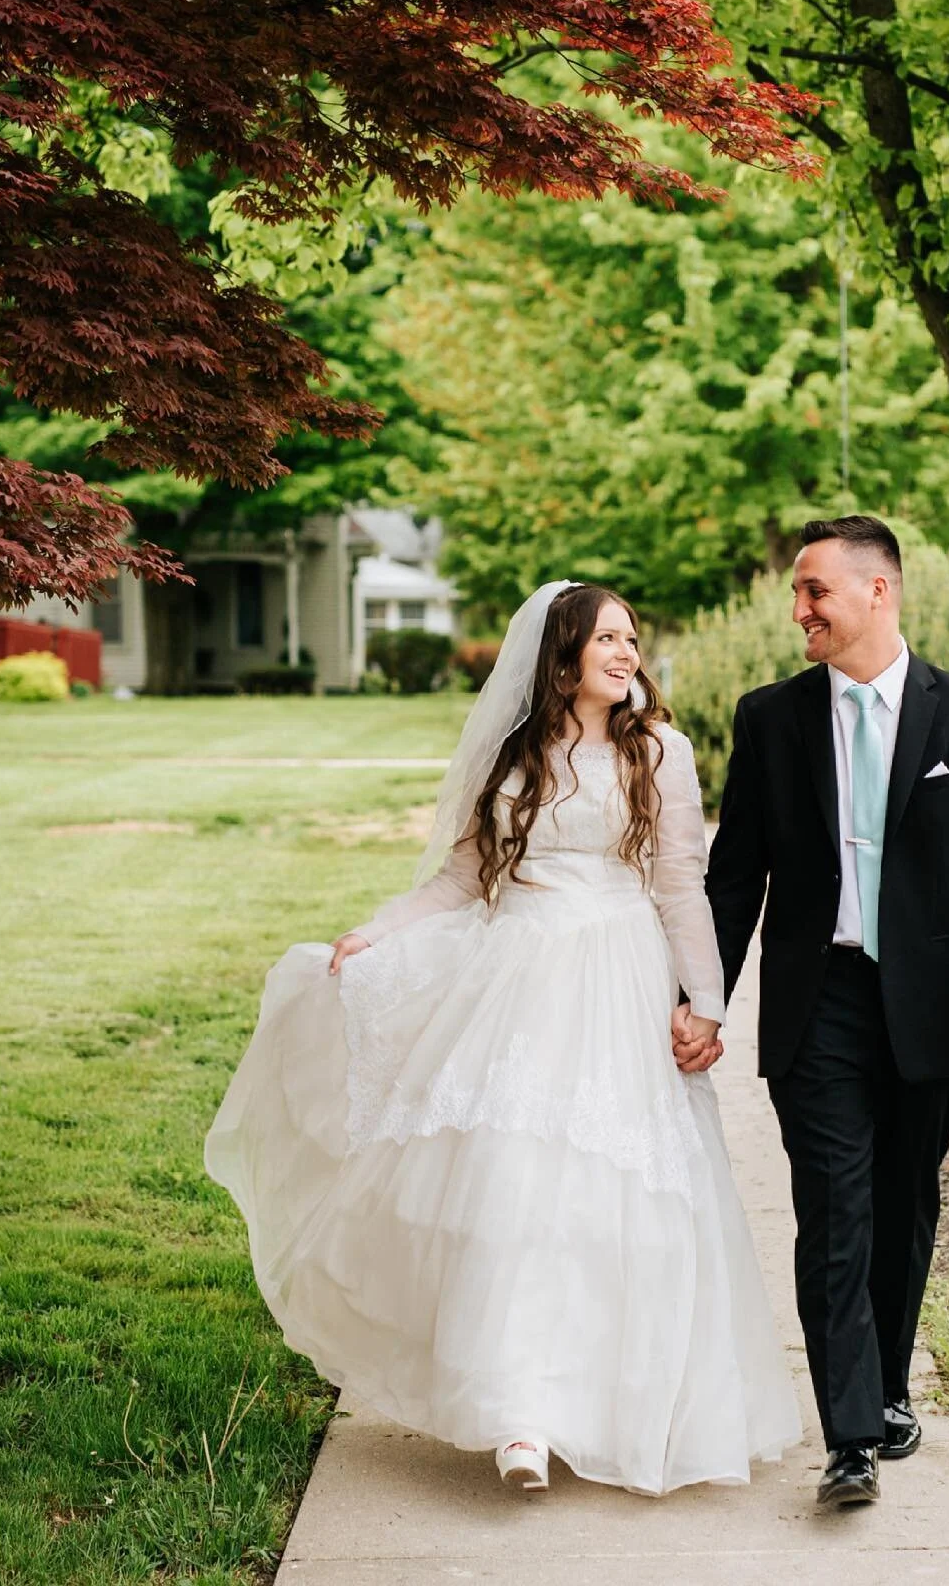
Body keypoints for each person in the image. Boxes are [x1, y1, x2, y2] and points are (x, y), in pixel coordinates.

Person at [206, 581, 800, 1496]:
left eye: (631, 638)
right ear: (560, 655)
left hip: (617, 983)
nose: (625, 652)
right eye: (607, 638)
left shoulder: (662, 753)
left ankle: (611, 1402)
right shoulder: (515, 758)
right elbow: (460, 881)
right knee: (511, 1188)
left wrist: (709, 1003)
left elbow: (681, 885)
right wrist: (380, 931)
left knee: (617, 1196)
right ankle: (519, 1415)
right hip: (515, 988)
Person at [687, 516, 949, 1509]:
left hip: (929, 1007)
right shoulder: (770, 718)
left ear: (877, 592)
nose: (798, 610)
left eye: (814, 592)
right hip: (817, 1003)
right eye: (797, 593)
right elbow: (734, 878)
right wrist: (703, 1000)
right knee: (833, 1212)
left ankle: (885, 1389)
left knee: (902, 1208)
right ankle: (848, 1439)